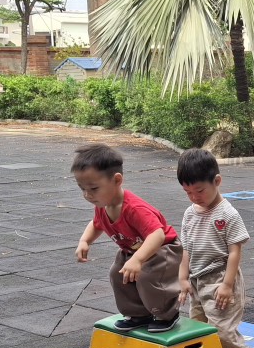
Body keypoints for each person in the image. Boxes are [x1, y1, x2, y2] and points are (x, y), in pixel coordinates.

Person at [72, 142, 182, 333]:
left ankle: (167, 314)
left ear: (117, 180)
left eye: (94, 188)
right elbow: (96, 224)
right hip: (133, 250)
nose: (87, 195)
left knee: (147, 277)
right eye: (82, 189)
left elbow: (157, 235)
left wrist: (138, 260)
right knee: (118, 274)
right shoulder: (103, 205)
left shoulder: (134, 209)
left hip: (162, 249)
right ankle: (138, 314)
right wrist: (85, 241)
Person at [176, 148, 254, 348]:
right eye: (188, 192)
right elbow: (186, 248)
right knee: (198, 325)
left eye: (199, 190)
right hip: (197, 280)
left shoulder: (228, 214)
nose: (194, 197)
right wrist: (183, 278)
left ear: (217, 181)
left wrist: (227, 285)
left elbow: (234, 251)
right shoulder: (190, 214)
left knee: (222, 328)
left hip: (220, 278)